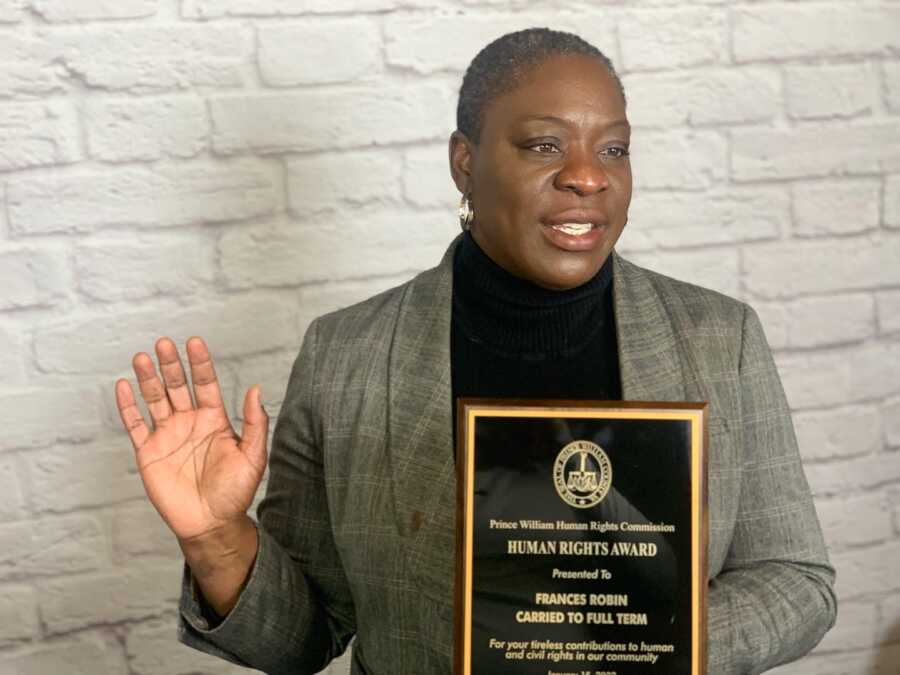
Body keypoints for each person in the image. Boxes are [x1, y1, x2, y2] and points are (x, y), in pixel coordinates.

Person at [115, 28, 836, 675]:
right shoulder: (347, 355)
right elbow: (303, 639)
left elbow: (797, 578)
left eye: (613, 147)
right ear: (465, 162)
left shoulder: (719, 336)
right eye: (544, 145)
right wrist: (216, 536)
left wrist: (650, 641)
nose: (589, 174)